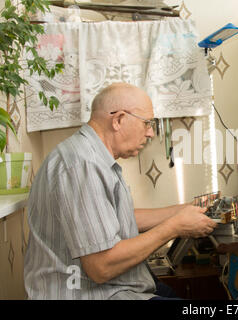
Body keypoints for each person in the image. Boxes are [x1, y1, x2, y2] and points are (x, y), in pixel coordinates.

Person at [24, 83, 217, 300]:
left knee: (169, 291)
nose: (151, 133)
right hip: (90, 293)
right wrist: (175, 227)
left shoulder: (93, 157)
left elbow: (116, 219)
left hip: (113, 287)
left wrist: (186, 209)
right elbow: (101, 266)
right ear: (118, 120)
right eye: (147, 123)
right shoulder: (83, 165)